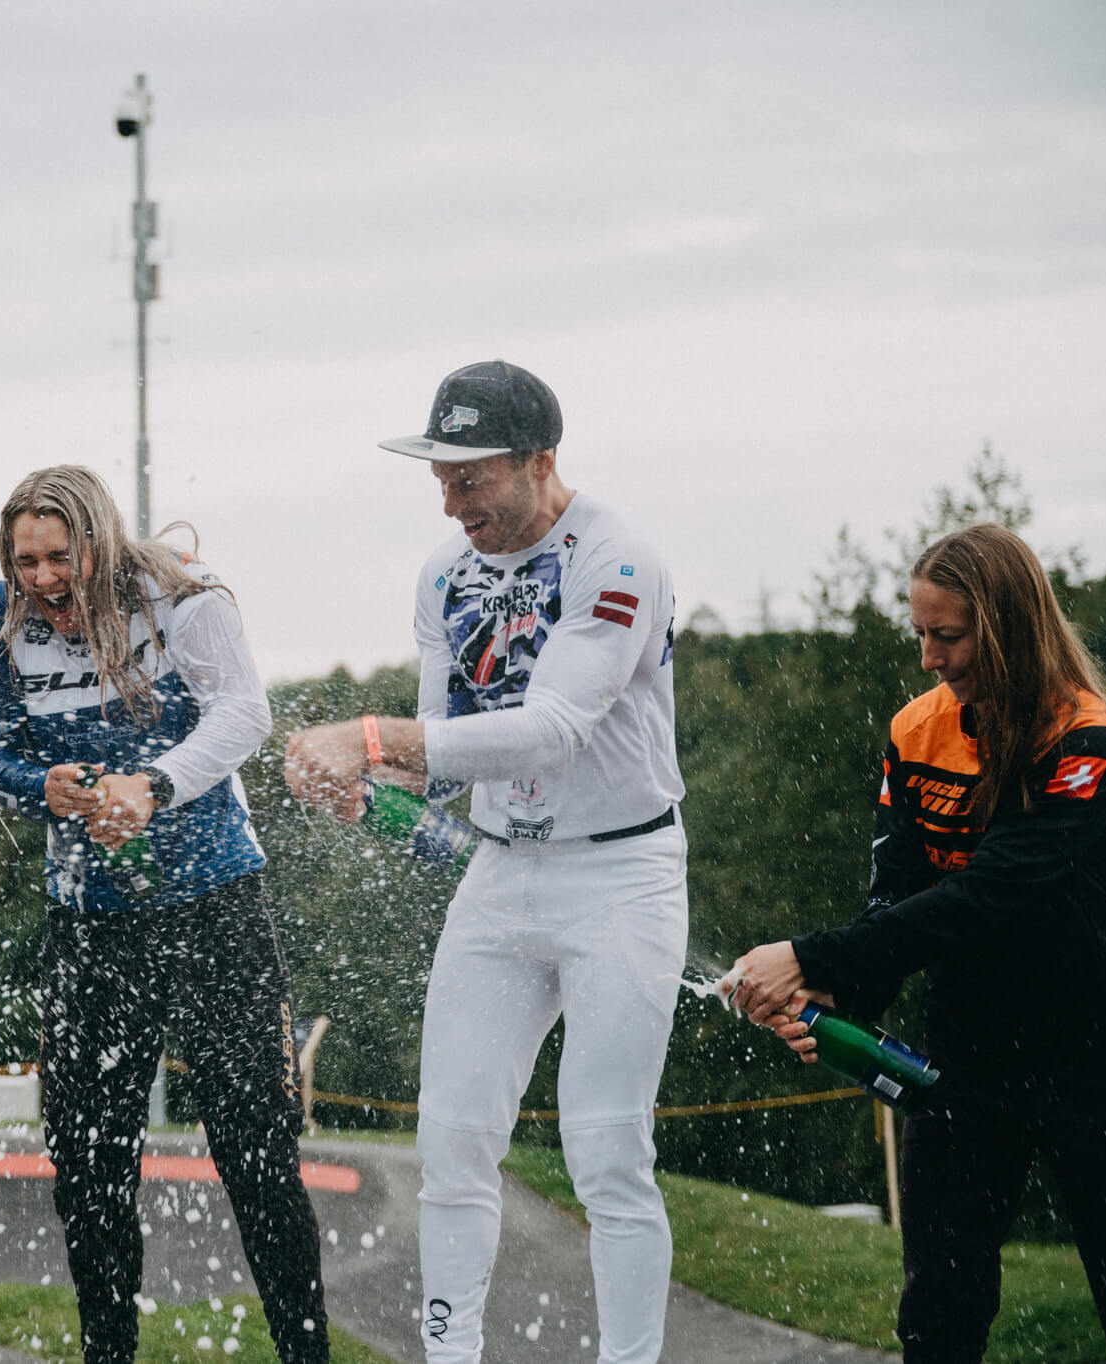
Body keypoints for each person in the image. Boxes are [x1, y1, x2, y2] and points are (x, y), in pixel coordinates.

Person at [284, 360, 687, 1364]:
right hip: (502, 872)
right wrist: (356, 786)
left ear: (539, 460)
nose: (451, 499)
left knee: (605, 1155)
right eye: (440, 477)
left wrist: (371, 738)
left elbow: (549, 730)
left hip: (621, 875)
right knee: (450, 1143)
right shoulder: (442, 573)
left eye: (471, 476)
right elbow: (441, 750)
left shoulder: (618, 557)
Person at [722, 523, 1106, 1362]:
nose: (932, 657)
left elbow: (991, 894)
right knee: (939, 1308)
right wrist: (837, 999)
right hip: (964, 1057)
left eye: (950, 636)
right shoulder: (914, 731)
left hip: (1095, 1055)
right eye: (921, 635)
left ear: (1009, 627)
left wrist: (815, 956)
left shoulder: (1091, 739)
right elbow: (897, 897)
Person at [0, 465, 329, 1364]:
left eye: (61, 557)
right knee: (88, 1163)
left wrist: (154, 786)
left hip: (215, 904)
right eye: (25, 561)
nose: (43, 580)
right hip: (90, 921)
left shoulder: (184, 600)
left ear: (101, 543)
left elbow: (246, 715)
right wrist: (35, 784)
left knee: (255, 1154)